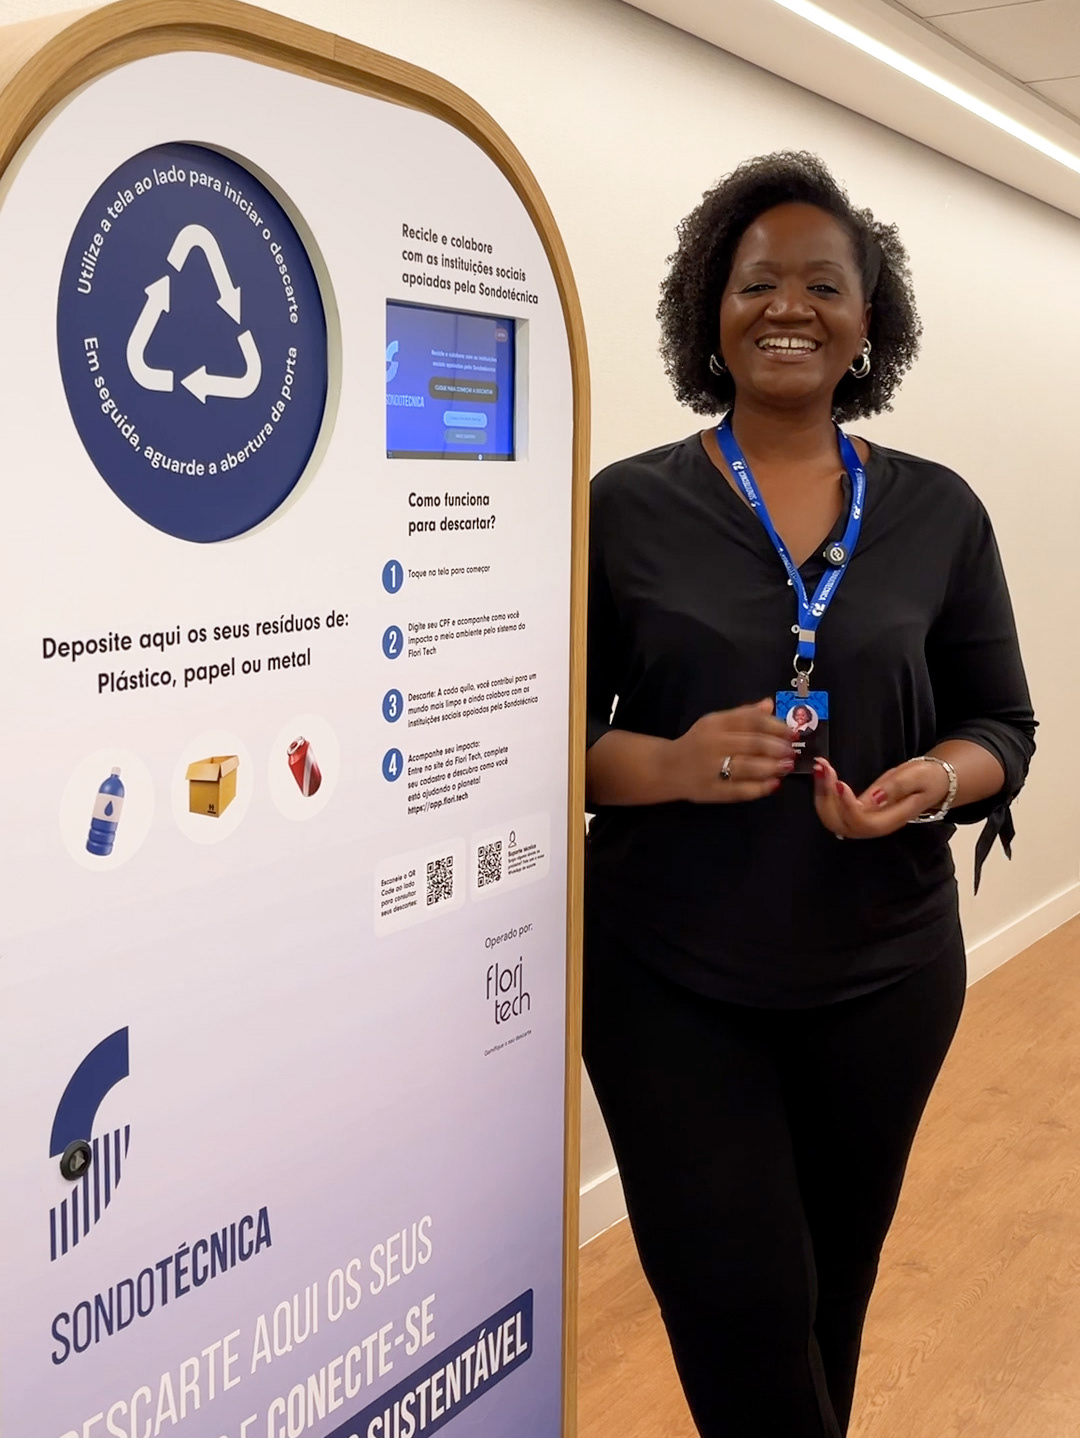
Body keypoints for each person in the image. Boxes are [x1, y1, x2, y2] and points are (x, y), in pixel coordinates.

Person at [583, 151, 1036, 1438]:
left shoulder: (939, 512)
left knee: (830, 1297)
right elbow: (544, 745)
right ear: (710, 312)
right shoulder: (625, 508)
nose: (789, 306)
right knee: (740, 1312)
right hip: (668, 976)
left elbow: (1003, 728)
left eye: (824, 285)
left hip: (884, 974)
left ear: (866, 323)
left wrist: (931, 782)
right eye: (757, 283)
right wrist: (670, 763)